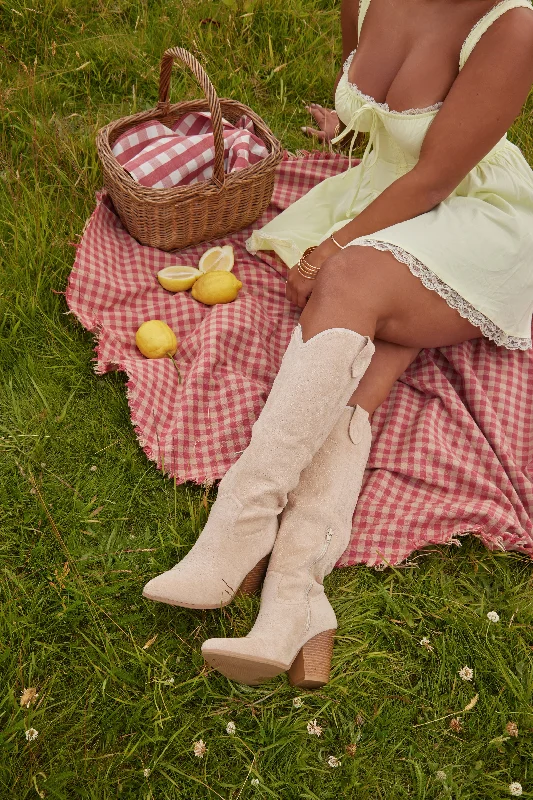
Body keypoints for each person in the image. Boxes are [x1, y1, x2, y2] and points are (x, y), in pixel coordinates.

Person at [143, 0, 533, 688]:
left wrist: (328, 246)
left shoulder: (510, 24)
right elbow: (366, 95)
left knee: (346, 277)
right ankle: (295, 603)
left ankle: (239, 523)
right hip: (391, 198)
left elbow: (437, 176)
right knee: (357, 371)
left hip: (478, 216)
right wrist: (353, 122)